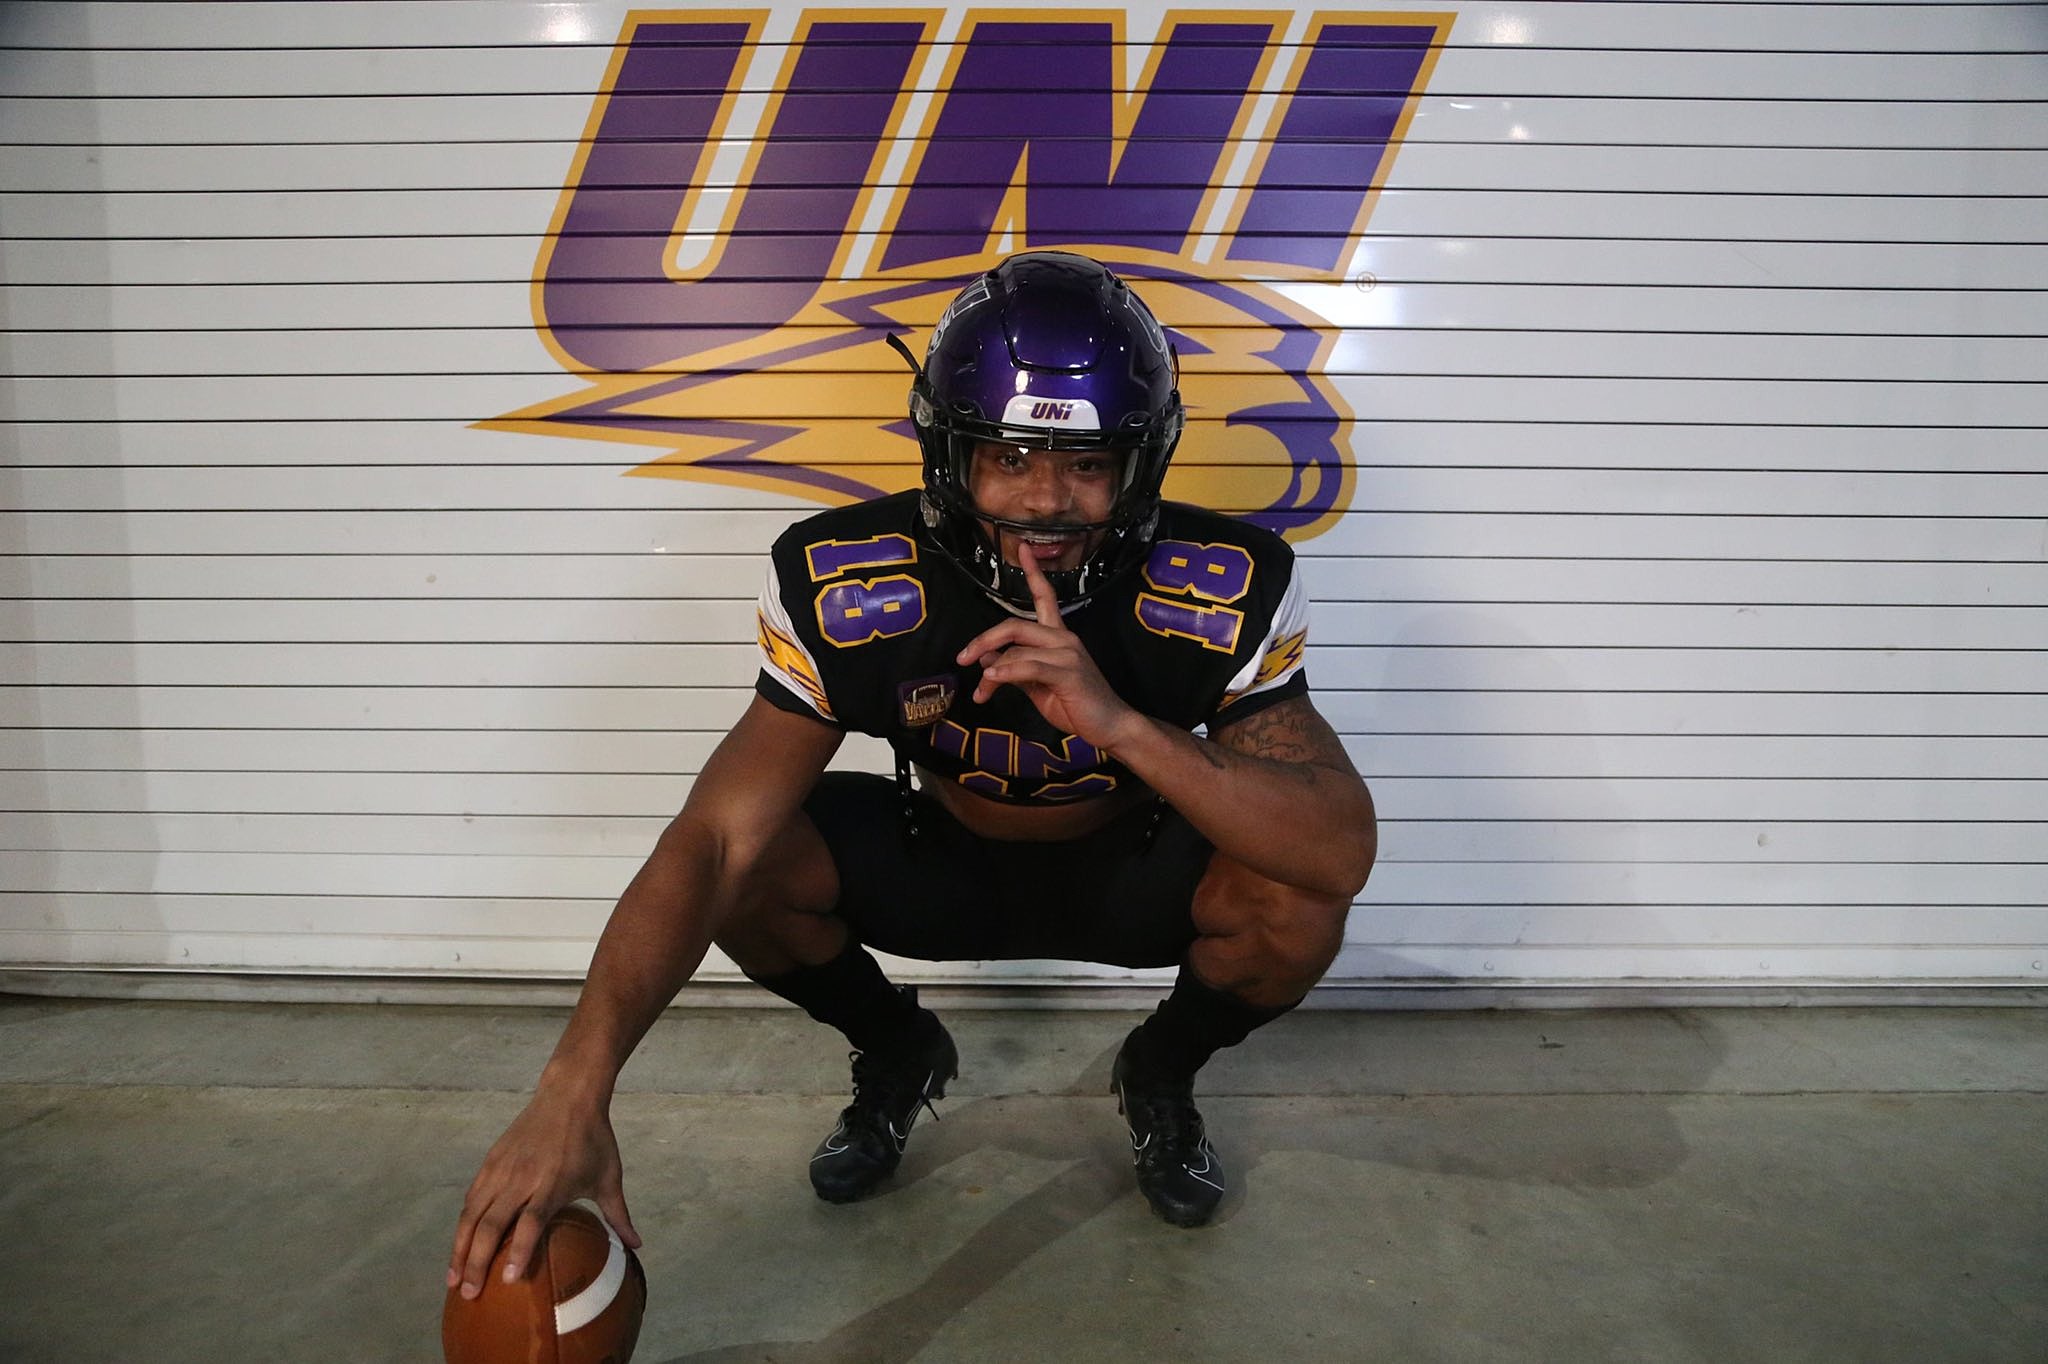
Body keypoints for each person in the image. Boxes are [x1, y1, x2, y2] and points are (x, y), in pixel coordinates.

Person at [448, 251, 1376, 1296]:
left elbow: (1334, 850)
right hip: (946, 863)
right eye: (1010, 456)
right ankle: (896, 1048)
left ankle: (1160, 1072)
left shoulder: (1221, 580)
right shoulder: (849, 572)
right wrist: (576, 1081)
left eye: (1086, 463)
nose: (1047, 501)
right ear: (948, 452)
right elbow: (711, 839)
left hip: (1130, 869)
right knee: (748, 864)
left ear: (1140, 464)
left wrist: (1122, 723)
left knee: (1290, 898)